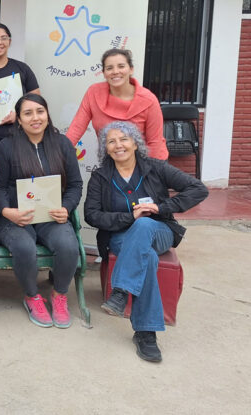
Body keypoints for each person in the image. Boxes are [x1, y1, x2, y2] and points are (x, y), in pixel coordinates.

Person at [84, 121, 208, 362]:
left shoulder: (156, 167)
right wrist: (128, 216)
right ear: (105, 149)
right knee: (146, 257)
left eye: (124, 139)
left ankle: (120, 291)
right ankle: (145, 332)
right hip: (121, 237)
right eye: (111, 141)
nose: (118, 145)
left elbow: (198, 189)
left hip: (159, 231)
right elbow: (92, 215)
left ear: (135, 142)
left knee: (143, 225)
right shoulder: (100, 177)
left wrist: (160, 207)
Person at [0, 93, 83, 328]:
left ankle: (59, 295)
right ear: (19, 120)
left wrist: (66, 207)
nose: (35, 118)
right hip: (15, 216)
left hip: (51, 214)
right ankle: (32, 296)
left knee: (68, 245)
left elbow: (75, 185)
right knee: (24, 246)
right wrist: (6, 212)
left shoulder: (61, 144)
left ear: (47, 114)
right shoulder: (6, 146)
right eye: (28, 113)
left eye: (40, 111)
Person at [66, 48, 168, 159]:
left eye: (121, 66)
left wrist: (151, 172)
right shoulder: (93, 93)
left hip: (145, 162)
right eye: (109, 68)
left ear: (131, 69)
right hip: (111, 161)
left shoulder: (149, 100)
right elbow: (76, 128)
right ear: (104, 73)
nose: (115, 71)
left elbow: (155, 142)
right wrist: (59, 153)